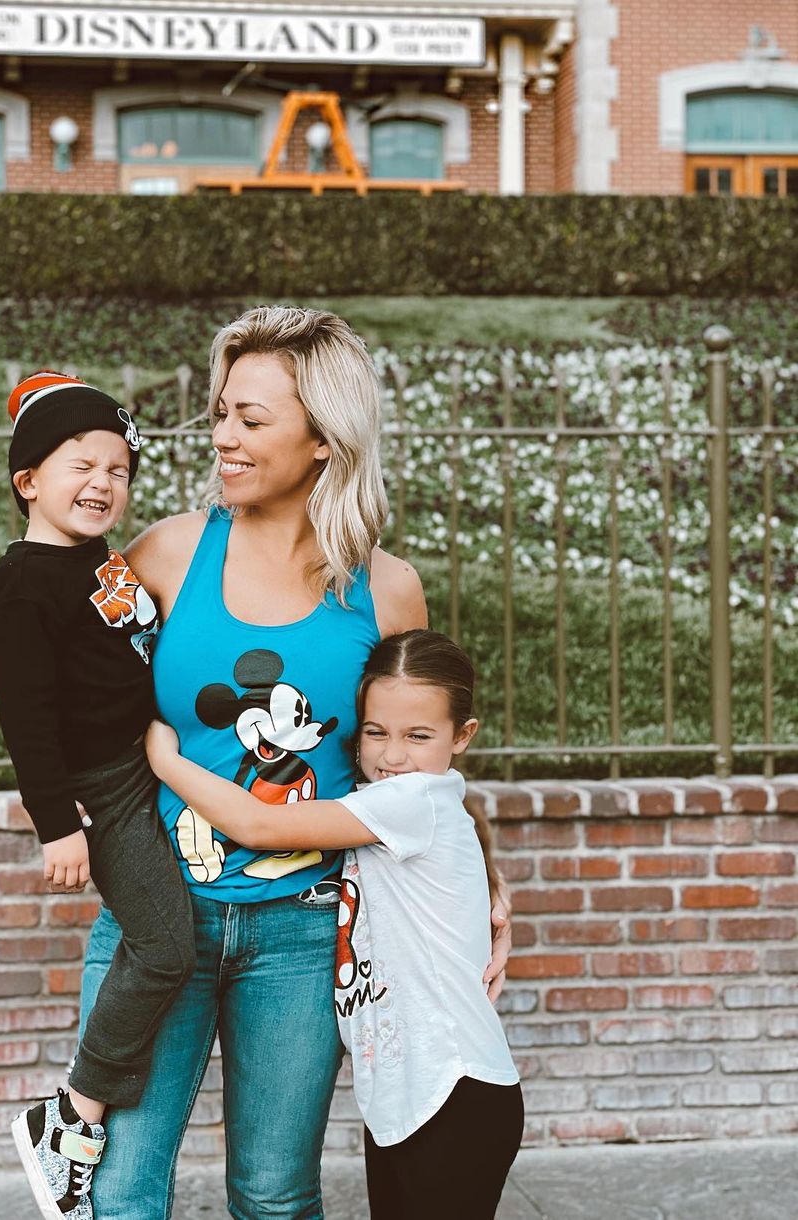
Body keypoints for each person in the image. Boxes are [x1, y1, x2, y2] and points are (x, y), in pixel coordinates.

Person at [72, 306, 513, 1219]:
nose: (222, 438)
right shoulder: (165, 552)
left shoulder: (385, 590)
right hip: (157, 923)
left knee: (274, 1197)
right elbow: (64, 684)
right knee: (117, 1192)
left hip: (307, 933)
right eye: (221, 412)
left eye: (251, 419)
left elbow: (415, 766)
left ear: (322, 439)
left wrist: (491, 885)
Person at [145, 629, 523, 1220]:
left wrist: (165, 759)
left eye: (418, 736)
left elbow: (261, 827)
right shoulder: (386, 803)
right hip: (403, 1098)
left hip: (455, 1090)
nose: (393, 755)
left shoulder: (410, 801)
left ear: (463, 736)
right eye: (376, 732)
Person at [0, 371, 196, 1220]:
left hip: (150, 761)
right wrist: (56, 823)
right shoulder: (24, 586)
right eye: (80, 465)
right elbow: (26, 718)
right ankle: (72, 1114)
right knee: (166, 947)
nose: (103, 482)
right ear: (29, 480)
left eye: (118, 469)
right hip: (102, 793)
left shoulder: (94, 560)